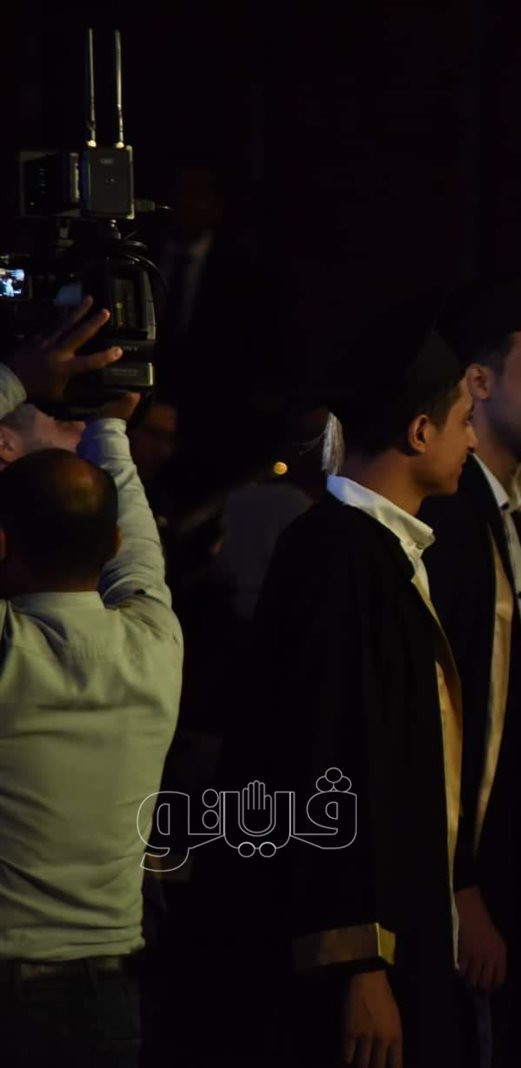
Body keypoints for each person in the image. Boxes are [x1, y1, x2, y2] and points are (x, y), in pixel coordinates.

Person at [218, 294, 476, 1068]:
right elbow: (323, 756)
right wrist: (356, 961)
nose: (472, 439)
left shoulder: (379, 551)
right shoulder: (337, 556)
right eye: (464, 420)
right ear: (420, 431)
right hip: (356, 951)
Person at [0, 299, 180, 1067]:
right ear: (108, 544)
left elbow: (127, 538)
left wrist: (16, 378)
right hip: (111, 995)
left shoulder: (9, 654)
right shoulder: (156, 643)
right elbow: (137, 544)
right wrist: (109, 429)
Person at [419, 276, 521, 1065]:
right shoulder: (449, 519)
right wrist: (461, 883)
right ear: (478, 383)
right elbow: (439, 719)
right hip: (462, 870)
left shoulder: (504, 511)